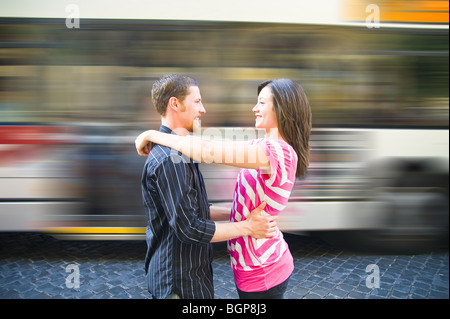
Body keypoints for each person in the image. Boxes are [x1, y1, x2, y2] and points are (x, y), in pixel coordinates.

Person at [136, 78, 312, 299]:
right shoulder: (261, 145)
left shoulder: (279, 152)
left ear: (283, 108)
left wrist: (151, 135)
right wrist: (227, 217)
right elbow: (240, 205)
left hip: (264, 269)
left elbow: (207, 151)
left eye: (262, 103)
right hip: (249, 268)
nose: (254, 108)